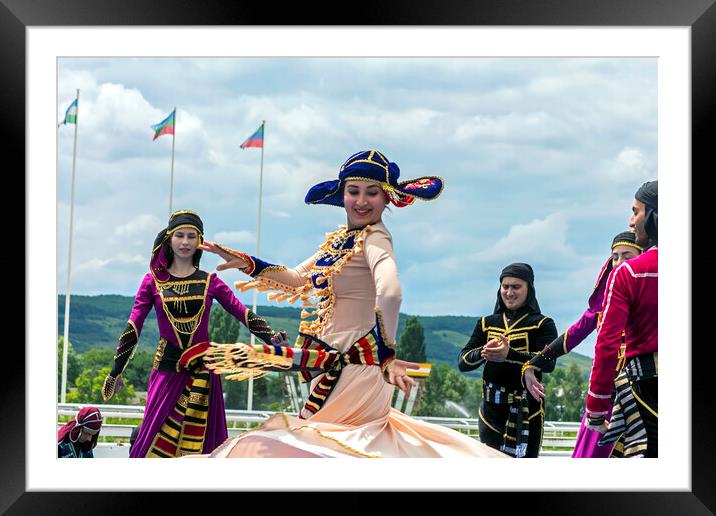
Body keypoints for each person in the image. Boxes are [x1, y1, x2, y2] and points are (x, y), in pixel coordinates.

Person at [198, 150, 506, 458]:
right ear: (342, 195)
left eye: (372, 193)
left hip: (359, 365)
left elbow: (391, 293)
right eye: (353, 191)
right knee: (332, 447)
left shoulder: (375, 238)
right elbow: (295, 278)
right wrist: (247, 262)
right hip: (332, 362)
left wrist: (386, 355)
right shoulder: (341, 241)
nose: (361, 201)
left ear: (387, 199)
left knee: (339, 447)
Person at [101, 210, 279, 458]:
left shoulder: (211, 281)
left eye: (191, 236)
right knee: (152, 439)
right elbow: (134, 326)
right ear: (169, 239)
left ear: (200, 241)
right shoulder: (151, 282)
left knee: (206, 443)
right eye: (180, 235)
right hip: (166, 370)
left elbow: (242, 313)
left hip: (204, 374)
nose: (185, 242)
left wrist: (272, 338)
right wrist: (116, 370)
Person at [521, 230, 643, 458]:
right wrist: (533, 363)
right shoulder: (603, 308)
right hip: (607, 399)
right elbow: (573, 335)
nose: (619, 263)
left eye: (628, 256)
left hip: (643, 396)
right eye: (615, 257)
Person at [586, 180, 658, 458]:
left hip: (646, 390)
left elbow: (606, 345)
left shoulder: (630, 274)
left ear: (653, 215)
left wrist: (595, 407)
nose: (631, 221)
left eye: (636, 212)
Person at [458, 263, 558, 458]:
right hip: (490, 411)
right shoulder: (487, 323)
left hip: (527, 410)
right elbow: (463, 361)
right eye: (505, 286)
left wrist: (510, 354)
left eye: (516, 287)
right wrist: (483, 352)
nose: (509, 292)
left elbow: (548, 362)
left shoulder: (542, 324)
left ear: (529, 289)